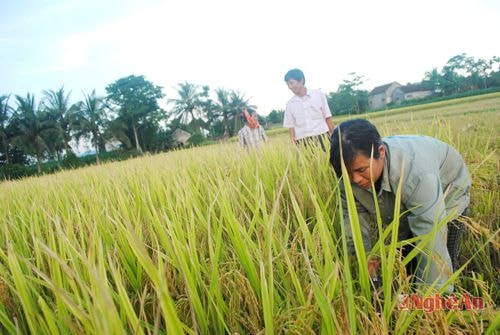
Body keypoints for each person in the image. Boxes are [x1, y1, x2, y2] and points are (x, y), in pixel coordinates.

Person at [329, 119, 471, 293]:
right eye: (347, 173)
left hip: (448, 189)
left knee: (441, 263)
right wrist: (366, 259)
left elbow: (431, 238)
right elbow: (353, 221)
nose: (356, 180)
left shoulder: (416, 174)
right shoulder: (349, 179)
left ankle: (445, 307)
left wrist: (431, 297)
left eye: (361, 170)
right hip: (409, 196)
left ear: (380, 152)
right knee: (407, 263)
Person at [283, 68, 334, 150]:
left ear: (301, 80)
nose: (290, 87)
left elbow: (328, 117)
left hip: (323, 137)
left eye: (291, 83)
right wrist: (294, 147)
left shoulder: (318, 95)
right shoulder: (290, 104)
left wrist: (334, 138)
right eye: (287, 84)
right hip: (303, 142)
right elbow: (291, 127)